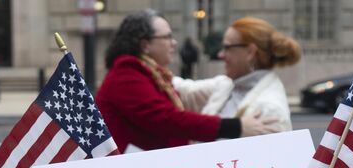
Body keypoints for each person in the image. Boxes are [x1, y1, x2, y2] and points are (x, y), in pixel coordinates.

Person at [96, 9, 278, 152]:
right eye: (167, 37)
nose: (174, 43)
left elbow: (187, 92)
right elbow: (167, 119)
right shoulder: (126, 73)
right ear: (145, 45)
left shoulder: (150, 73)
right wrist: (236, 126)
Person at [174, 16, 301, 133]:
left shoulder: (270, 109)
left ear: (250, 52)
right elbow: (183, 89)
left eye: (227, 48)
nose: (220, 55)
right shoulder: (227, 85)